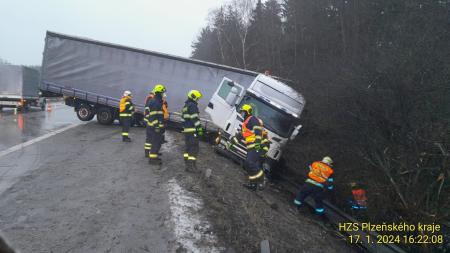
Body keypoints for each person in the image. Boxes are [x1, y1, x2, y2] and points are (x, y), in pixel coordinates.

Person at [232, 104, 264, 190]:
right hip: (250, 147)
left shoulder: (252, 119)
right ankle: (253, 184)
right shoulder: (245, 123)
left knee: (250, 163)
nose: (241, 113)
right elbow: (242, 134)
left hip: (255, 146)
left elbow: (258, 130)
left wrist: (257, 143)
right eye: (241, 112)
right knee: (247, 165)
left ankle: (262, 179)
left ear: (247, 112)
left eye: (243, 112)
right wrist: (233, 141)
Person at [181, 90, 203, 172]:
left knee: (187, 148)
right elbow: (195, 119)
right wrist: (200, 129)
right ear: (194, 97)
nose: (198, 100)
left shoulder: (185, 106)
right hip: (193, 131)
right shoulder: (193, 106)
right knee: (194, 148)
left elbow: (182, 120)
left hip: (187, 131)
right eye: (197, 98)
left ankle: (187, 165)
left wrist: (185, 129)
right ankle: (191, 166)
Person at [144, 84, 166, 165]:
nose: (164, 94)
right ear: (159, 93)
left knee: (155, 142)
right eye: (162, 92)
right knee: (155, 142)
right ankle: (152, 160)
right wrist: (157, 126)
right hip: (154, 127)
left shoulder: (156, 101)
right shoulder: (155, 102)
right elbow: (153, 116)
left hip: (152, 126)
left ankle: (154, 156)